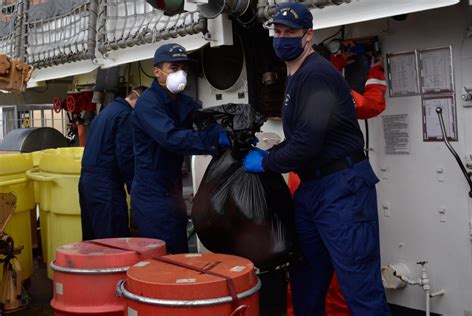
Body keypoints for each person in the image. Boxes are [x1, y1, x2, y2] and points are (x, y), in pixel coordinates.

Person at [243, 3, 390, 315]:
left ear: (307, 35)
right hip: (313, 190)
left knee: (359, 287)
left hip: (342, 190)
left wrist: (267, 162)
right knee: (306, 283)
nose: (282, 38)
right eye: (278, 32)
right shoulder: (297, 75)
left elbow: (308, 143)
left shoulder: (316, 75)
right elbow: (301, 140)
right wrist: (272, 154)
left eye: (290, 33)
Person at [131, 43, 230, 254]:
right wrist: (212, 141)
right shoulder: (148, 104)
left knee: (178, 250)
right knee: (163, 257)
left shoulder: (182, 102)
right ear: (157, 72)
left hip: (171, 191)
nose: (181, 74)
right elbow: (171, 138)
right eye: (173, 68)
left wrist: (230, 130)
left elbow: (202, 120)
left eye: (184, 68)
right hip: (152, 194)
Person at [79, 87, 146, 240]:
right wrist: (134, 190)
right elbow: (126, 156)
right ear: (140, 102)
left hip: (86, 183)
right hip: (106, 186)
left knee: (92, 239)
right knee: (113, 240)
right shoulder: (126, 115)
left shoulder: (106, 112)